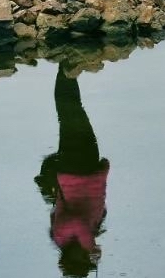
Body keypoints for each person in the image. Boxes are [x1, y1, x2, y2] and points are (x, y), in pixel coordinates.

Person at [35, 68, 110, 276]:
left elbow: (77, 221)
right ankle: (68, 69)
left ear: (69, 258)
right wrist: (91, 248)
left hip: (74, 167)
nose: (83, 256)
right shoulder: (85, 237)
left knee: (71, 113)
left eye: (80, 260)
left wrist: (90, 247)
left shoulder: (62, 236)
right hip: (88, 166)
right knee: (73, 113)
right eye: (85, 260)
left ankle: (67, 68)